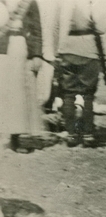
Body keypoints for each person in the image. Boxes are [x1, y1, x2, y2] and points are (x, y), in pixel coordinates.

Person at [57, 0, 106, 147]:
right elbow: (101, 27)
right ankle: (88, 134)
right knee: (88, 94)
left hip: (67, 49)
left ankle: (71, 134)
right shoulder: (91, 4)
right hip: (88, 50)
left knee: (68, 94)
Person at [0, 0, 44, 151]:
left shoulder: (28, 2)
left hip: (19, 45)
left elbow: (37, 29)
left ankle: (16, 136)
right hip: (1, 46)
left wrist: (37, 54)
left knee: (17, 92)